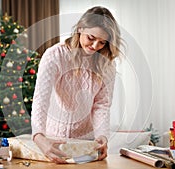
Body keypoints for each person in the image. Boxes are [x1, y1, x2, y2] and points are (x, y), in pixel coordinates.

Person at [31, 6, 122, 164]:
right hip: (52, 141)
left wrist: (102, 136)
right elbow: (41, 98)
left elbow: (102, 105)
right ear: (80, 28)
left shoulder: (107, 65)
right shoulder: (55, 55)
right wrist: (38, 136)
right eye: (91, 38)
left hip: (85, 143)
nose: (94, 46)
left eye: (102, 42)